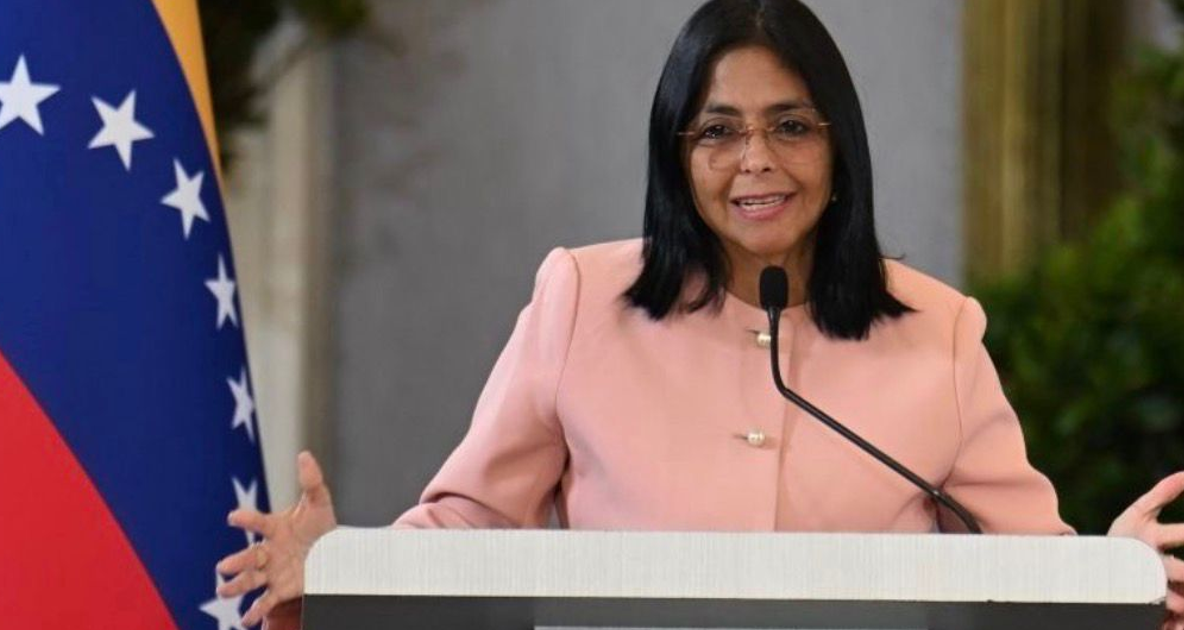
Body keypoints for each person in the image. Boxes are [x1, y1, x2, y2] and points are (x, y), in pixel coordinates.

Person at [216, 1, 1184, 628]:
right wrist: (341, 568)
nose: (755, 160)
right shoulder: (581, 299)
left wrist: (1121, 574)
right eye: (718, 131)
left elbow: (1029, 565)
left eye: (791, 127)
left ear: (838, 148)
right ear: (676, 159)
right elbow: (468, 522)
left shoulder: (938, 329)